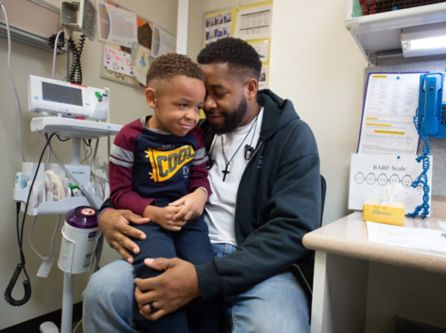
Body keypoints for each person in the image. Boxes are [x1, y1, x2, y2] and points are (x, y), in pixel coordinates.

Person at [83, 37, 322, 333]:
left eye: (218, 94)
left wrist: (202, 279)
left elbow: (293, 228)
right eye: (203, 95)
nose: (206, 106)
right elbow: (143, 180)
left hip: (258, 266)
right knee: (102, 292)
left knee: (274, 327)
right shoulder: (196, 130)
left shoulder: (292, 137)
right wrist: (106, 214)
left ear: (250, 88)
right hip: (182, 244)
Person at [108, 53, 219, 333]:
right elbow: (119, 192)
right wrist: (153, 212)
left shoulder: (193, 138)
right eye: (182, 105)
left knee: (204, 274)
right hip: (147, 220)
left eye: (197, 108)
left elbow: (199, 178)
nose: (192, 117)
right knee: (157, 273)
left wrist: (200, 195)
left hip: (187, 219)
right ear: (152, 98)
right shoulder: (129, 138)